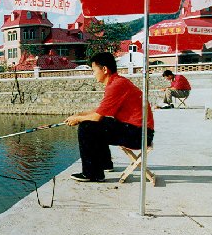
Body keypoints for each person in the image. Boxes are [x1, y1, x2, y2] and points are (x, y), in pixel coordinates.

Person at [64, 52, 154, 182]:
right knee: (101, 124)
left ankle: (92, 174)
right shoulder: (117, 82)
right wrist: (79, 115)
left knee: (87, 127)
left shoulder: (116, 85)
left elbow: (96, 118)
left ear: (104, 69)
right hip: (140, 131)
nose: (93, 74)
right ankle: (105, 164)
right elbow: (101, 111)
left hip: (139, 135)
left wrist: (78, 120)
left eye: (94, 70)